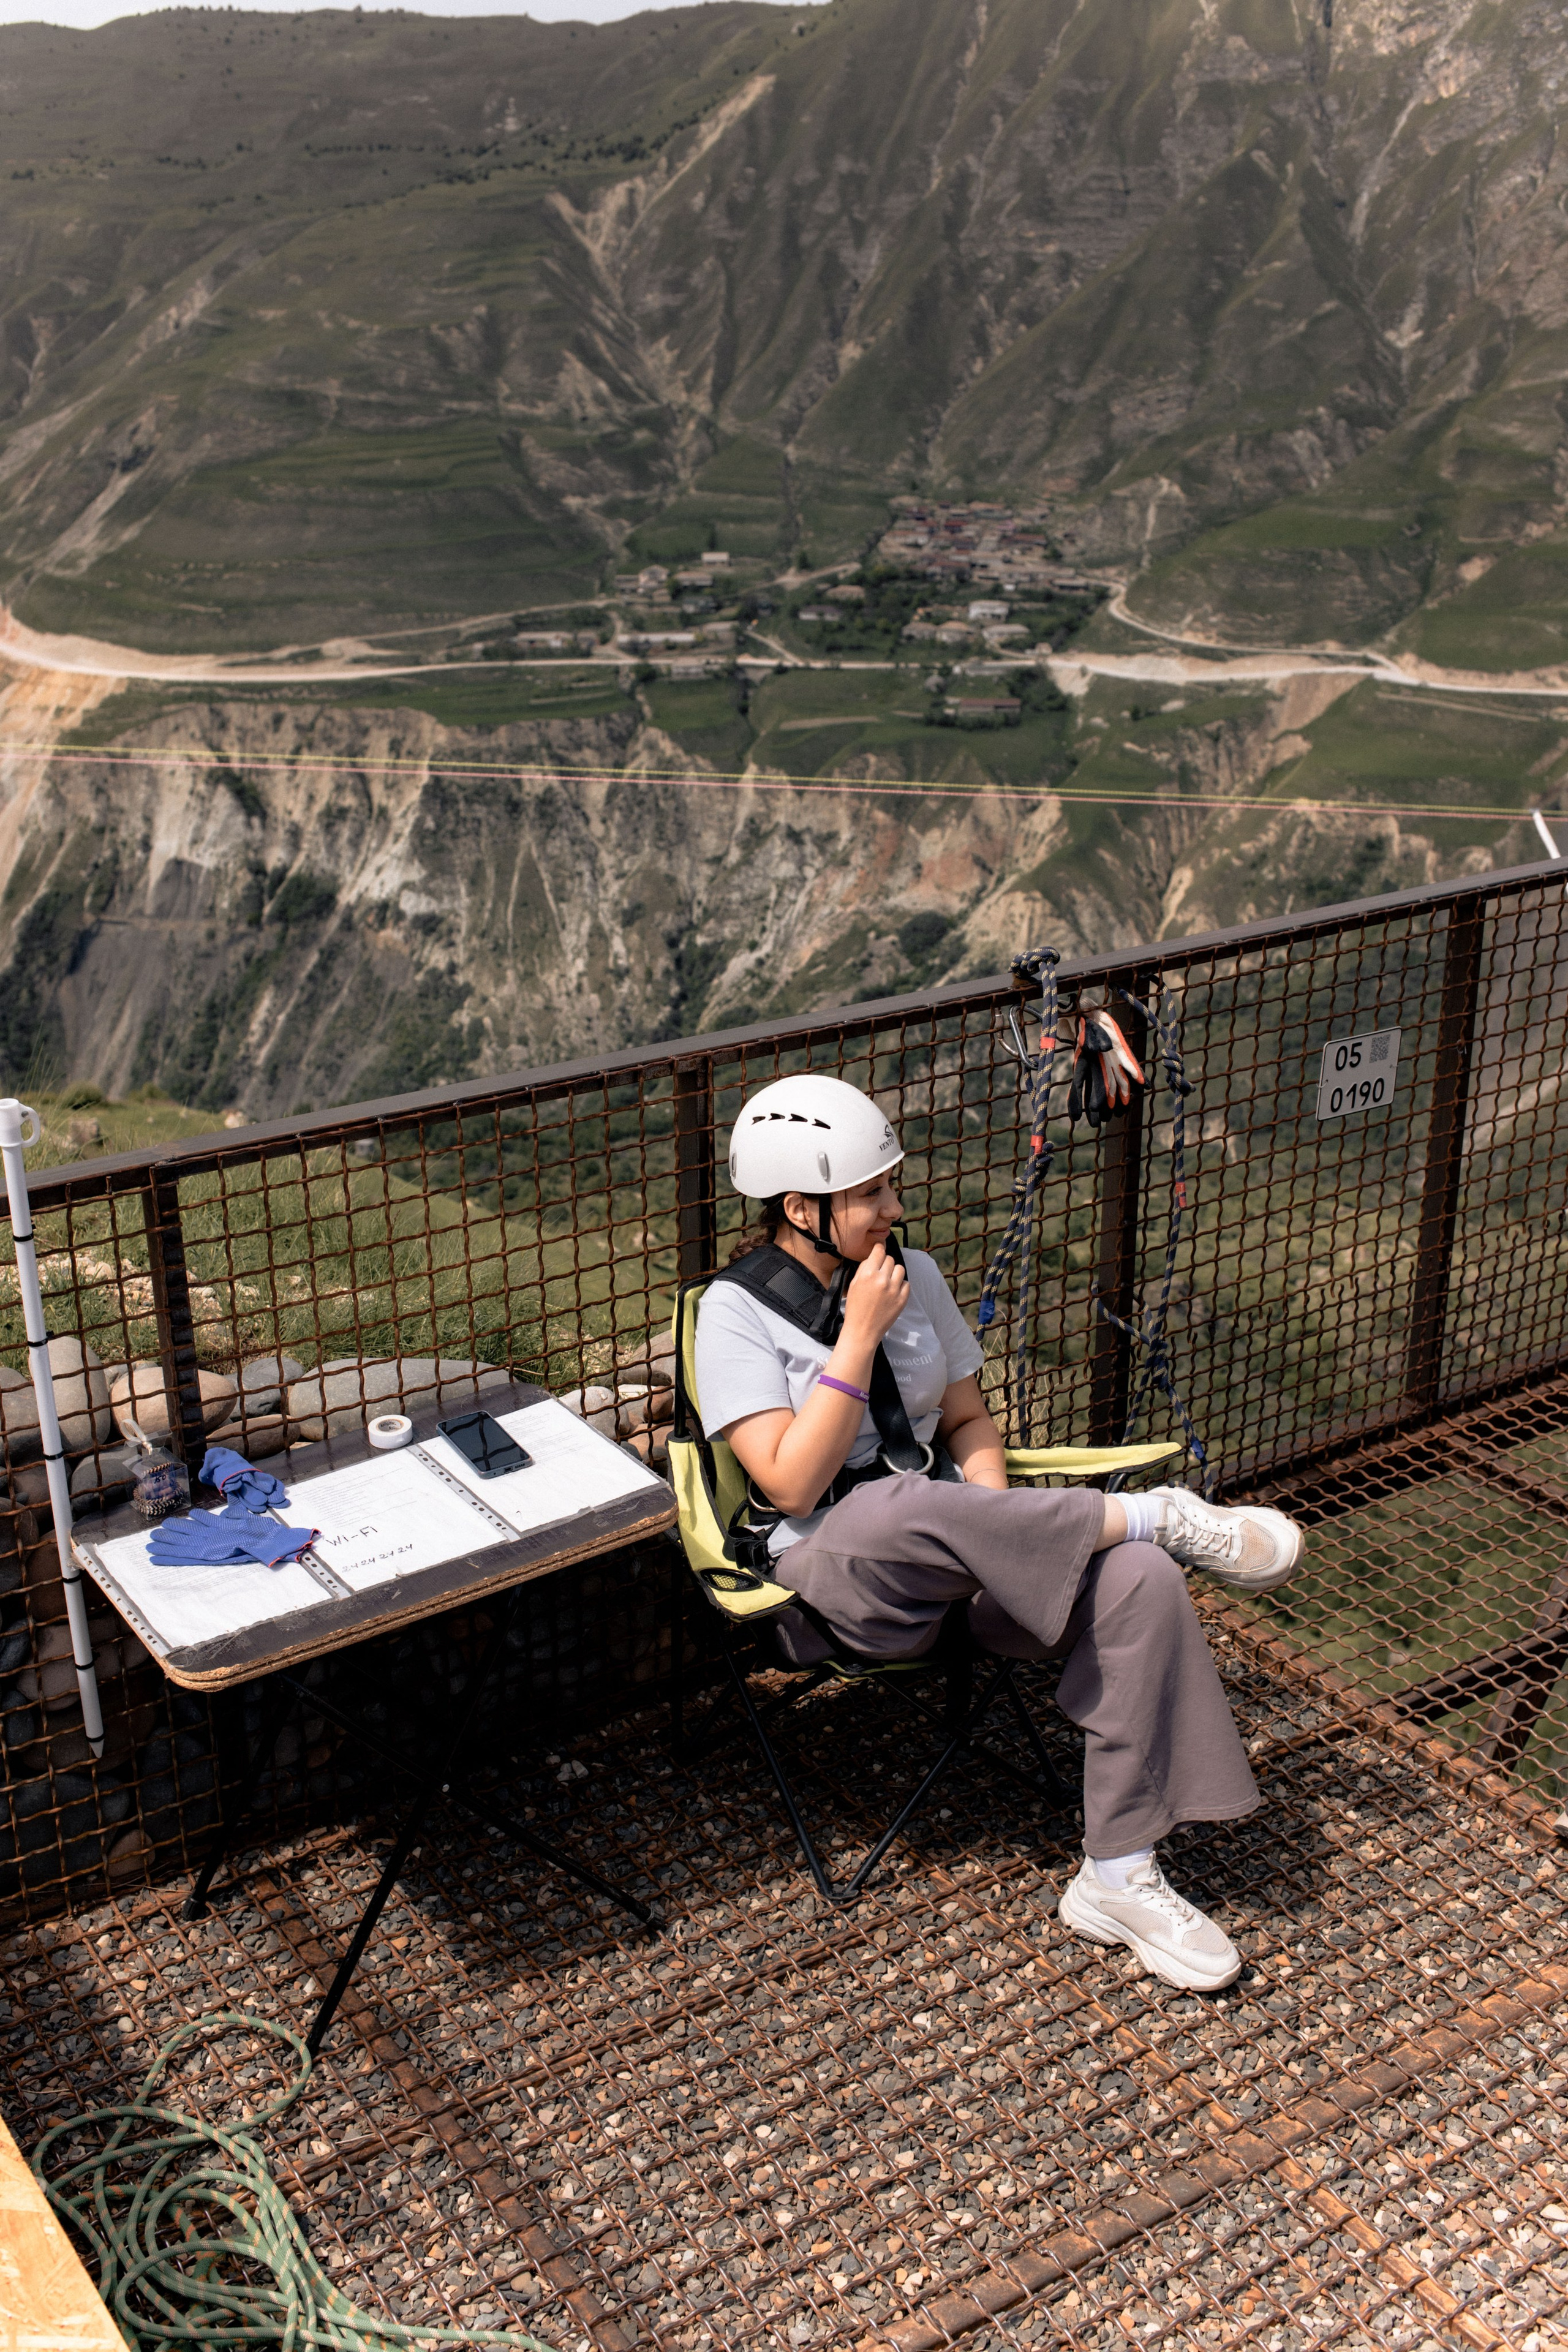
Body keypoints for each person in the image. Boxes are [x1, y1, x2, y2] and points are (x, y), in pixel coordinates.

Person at [694, 1072, 1306, 1992]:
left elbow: (970, 1426)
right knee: (890, 1507)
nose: (893, 1208)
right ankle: (1157, 1511)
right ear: (800, 1208)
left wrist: (989, 1520)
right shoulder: (732, 1313)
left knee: (1140, 1577)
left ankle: (1119, 1872)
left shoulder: (917, 1275)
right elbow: (789, 1480)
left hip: (971, 1566)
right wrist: (858, 1338)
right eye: (871, 1194)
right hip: (838, 1586)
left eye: (890, 1186)